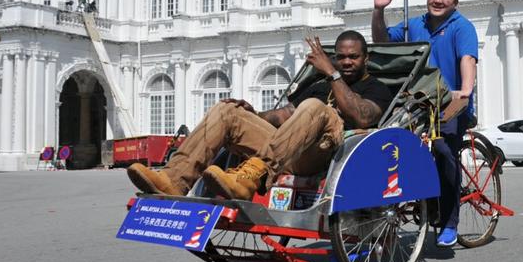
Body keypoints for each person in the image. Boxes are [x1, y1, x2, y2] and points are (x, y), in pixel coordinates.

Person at [127, 31, 393, 199]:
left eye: (353, 57)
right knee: (228, 110)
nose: (346, 62)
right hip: (287, 149)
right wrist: (252, 114)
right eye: (341, 57)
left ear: (366, 59)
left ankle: (251, 178)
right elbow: (283, 115)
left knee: (314, 107)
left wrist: (331, 73)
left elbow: (362, 117)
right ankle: (174, 180)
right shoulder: (319, 86)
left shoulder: (377, 88)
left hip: (326, 155)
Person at [372, 0, 477, 247]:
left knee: (443, 151)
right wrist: (379, 10)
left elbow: (467, 60)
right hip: (418, 102)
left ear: (455, 2)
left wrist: (465, 90)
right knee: (391, 148)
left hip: (450, 103)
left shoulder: (461, 27)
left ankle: (450, 222)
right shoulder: (413, 24)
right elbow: (382, 41)